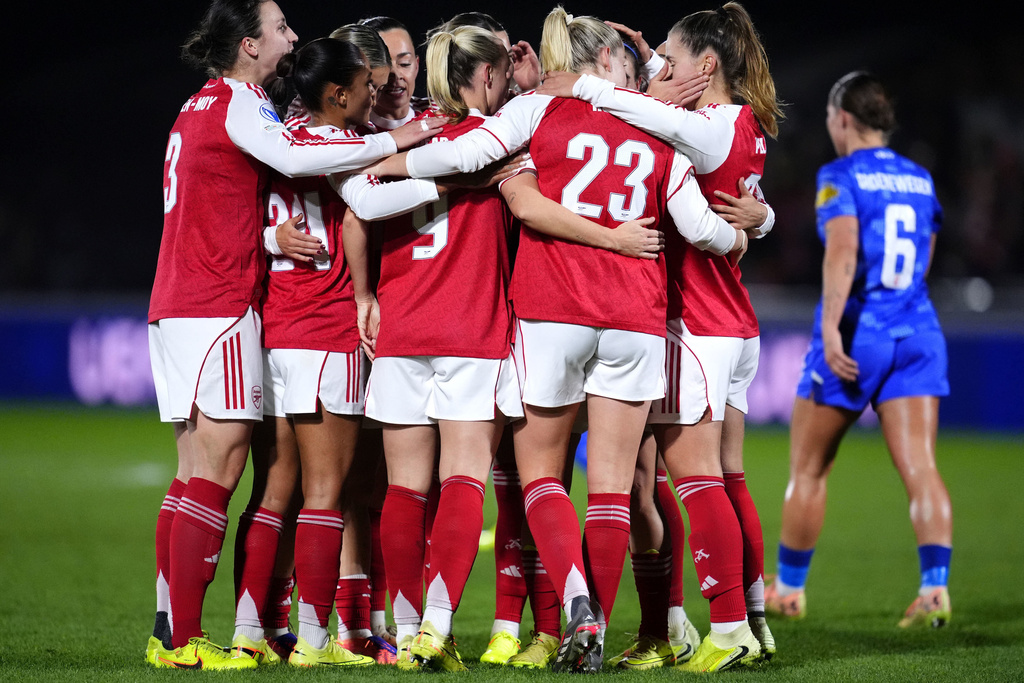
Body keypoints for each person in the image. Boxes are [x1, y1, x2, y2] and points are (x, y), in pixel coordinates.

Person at [373, 6, 749, 672]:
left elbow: (467, 152)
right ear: (606, 60)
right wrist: (748, 231)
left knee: (541, 472)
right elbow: (700, 227)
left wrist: (389, 162)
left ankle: (572, 606)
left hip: (553, 312)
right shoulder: (657, 126)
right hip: (634, 315)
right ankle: (600, 629)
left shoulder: (538, 111)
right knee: (613, 488)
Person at [145, 0, 441, 670]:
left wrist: (265, 233)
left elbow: (227, 189)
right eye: (280, 28)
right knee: (236, 476)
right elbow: (313, 166)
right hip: (225, 303)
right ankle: (197, 639)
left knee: (199, 474)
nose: (293, 35)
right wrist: (414, 143)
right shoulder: (246, 104)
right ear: (249, 44)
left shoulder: (201, 107)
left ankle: (172, 625)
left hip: (184, 299)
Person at [538, 3, 782, 670]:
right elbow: (689, 136)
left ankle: (728, 626)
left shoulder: (707, 128)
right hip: (719, 321)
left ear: (707, 67)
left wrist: (587, 85)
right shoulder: (744, 122)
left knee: (696, 477)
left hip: (696, 322)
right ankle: (704, 625)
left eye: (671, 61)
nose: (660, 73)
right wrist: (763, 221)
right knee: (681, 478)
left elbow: (672, 129)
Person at [764, 71, 952, 629]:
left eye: (828, 117)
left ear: (842, 117)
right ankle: (935, 590)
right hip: (918, 332)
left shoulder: (839, 175)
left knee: (809, 468)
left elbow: (842, 251)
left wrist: (828, 332)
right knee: (921, 467)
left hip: (858, 335)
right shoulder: (921, 179)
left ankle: (790, 591)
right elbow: (925, 257)